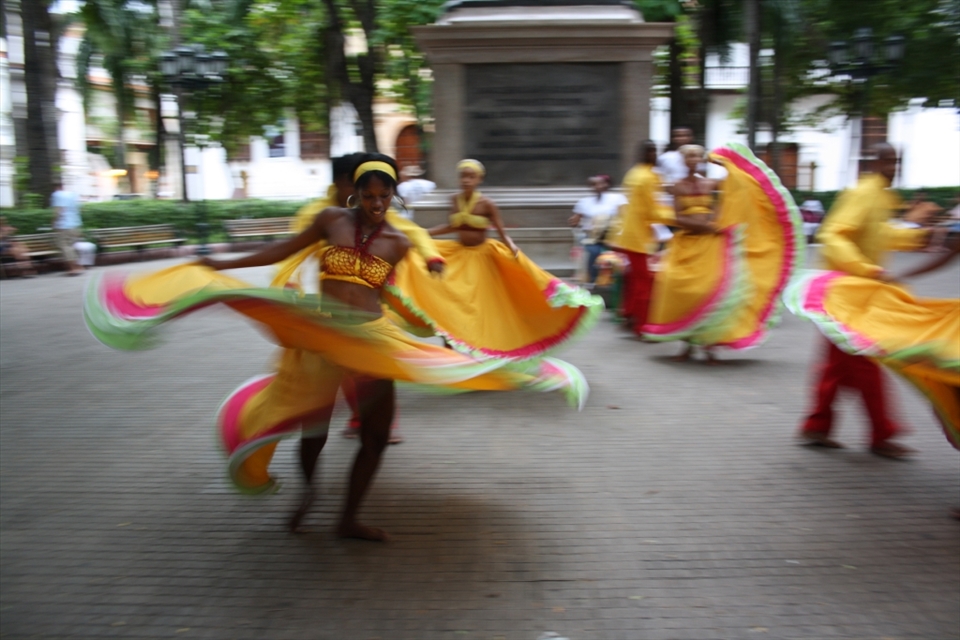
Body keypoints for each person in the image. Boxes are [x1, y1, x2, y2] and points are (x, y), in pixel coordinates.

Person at [86, 153, 589, 540]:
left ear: (392, 196)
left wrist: (441, 271)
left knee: (373, 436)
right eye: (369, 195)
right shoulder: (330, 221)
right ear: (356, 195)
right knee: (314, 433)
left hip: (371, 341)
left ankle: (348, 517)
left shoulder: (400, 242)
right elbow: (281, 251)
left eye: (384, 196)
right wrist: (224, 266)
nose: (376, 203)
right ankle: (307, 497)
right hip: (324, 338)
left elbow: (429, 281)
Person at [274, 154, 445, 444]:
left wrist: (432, 257)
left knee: (373, 371)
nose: (374, 201)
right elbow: (294, 250)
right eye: (363, 191)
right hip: (327, 308)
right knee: (332, 374)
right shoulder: (323, 214)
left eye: (382, 194)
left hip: (371, 312)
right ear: (346, 185)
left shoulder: (382, 219)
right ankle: (346, 421)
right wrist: (291, 281)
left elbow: (414, 234)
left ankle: (378, 423)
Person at [381, 158, 602, 362]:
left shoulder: (487, 203)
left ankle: (480, 350)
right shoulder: (454, 200)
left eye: (471, 176)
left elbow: (499, 228)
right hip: (458, 255)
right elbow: (453, 226)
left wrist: (511, 244)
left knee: (478, 307)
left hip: (482, 258)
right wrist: (423, 234)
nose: (466, 180)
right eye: (463, 176)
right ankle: (449, 345)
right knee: (448, 299)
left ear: (479, 179)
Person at [797, 143, 931, 459]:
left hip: (854, 294)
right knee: (863, 362)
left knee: (840, 365)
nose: (893, 166)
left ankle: (818, 425)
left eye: (896, 161)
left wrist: (917, 236)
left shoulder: (879, 196)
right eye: (888, 160)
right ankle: (880, 432)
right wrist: (867, 269)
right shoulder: (863, 194)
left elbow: (880, 234)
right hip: (847, 292)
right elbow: (832, 235)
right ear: (874, 160)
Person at [643, 143, 804, 361]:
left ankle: (709, 345)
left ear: (701, 159)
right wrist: (704, 226)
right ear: (682, 160)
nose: (692, 160)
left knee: (713, 289)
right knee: (679, 287)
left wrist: (727, 162)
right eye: (688, 156)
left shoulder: (711, 183)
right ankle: (687, 346)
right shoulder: (676, 186)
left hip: (711, 243)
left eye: (696, 156)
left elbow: (736, 190)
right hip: (686, 242)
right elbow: (677, 217)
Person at [608, 141, 672, 334]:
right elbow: (653, 210)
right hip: (638, 238)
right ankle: (641, 326)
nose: (653, 154)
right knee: (645, 282)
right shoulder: (648, 177)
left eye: (655, 150)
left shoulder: (636, 173)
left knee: (636, 280)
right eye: (650, 151)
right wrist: (680, 218)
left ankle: (628, 315)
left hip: (631, 235)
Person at [569, 174, 627, 285]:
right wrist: (574, 222)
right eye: (594, 184)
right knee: (593, 251)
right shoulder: (584, 202)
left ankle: (620, 282)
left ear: (607, 184)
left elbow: (625, 217)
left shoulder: (618, 198)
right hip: (592, 237)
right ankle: (592, 280)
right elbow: (575, 221)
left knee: (621, 252)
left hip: (614, 235)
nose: (597, 186)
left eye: (600, 183)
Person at [51, 183, 84, 276]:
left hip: (64, 225)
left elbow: (58, 211)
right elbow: (79, 210)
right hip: (75, 225)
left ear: (56, 188)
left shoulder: (58, 195)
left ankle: (73, 268)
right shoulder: (72, 195)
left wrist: (54, 223)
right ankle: (78, 266)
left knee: (65, 247)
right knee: (71, 246)